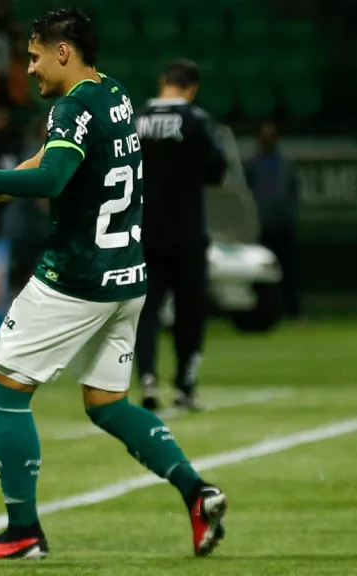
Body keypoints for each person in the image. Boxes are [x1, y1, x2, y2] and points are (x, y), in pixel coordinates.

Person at [0, 9, 227, 561]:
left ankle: (22, 531)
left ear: (63, 52)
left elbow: (53, 177)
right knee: (107, 402)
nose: (30, 67)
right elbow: (63, 161)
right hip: (127, 276)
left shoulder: (71, 105)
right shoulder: (113, 94)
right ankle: (196, 491)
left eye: (35, 55)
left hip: (76, 278)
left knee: (5, 389)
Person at [133, 60, 228, 412]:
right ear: (193, 87)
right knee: (190, 310)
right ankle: (185, 385)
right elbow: (217, 172)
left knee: (145, 311)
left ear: (163, 82)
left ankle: (146, 379)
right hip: (187, 232)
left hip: (144, 231)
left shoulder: (137, 119)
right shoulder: (197, 121)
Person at [244, 120, 304, 321]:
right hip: (263, 225)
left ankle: (294, 311)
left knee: (289, 271)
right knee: (262, 272)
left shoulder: (285, 165)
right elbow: (247, 194)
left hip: (284, 224)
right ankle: (263, 313)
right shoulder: (252, 166)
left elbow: (293, 192)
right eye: (264, 135)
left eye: (271, 135)